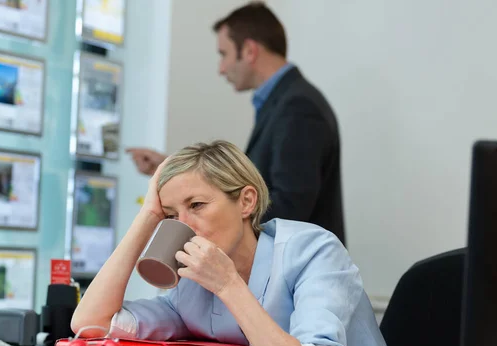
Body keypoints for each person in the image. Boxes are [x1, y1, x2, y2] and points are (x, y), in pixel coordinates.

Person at [72, 141, 418, 346]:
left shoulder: (314, 251)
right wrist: (147, 217)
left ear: (246, 201)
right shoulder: (190, 288)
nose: (185, 225)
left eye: (197, 205)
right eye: (172, 215)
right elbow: (91, 325)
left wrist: (228, 284)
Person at [126, 2, 346, 244]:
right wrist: (175, 170)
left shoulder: (298, 108)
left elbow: (291, 206)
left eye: (224, 54)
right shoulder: (283, 103)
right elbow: (245, 185)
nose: (221, 69)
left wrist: (222, 213)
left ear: (250, 51)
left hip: (299, 271)